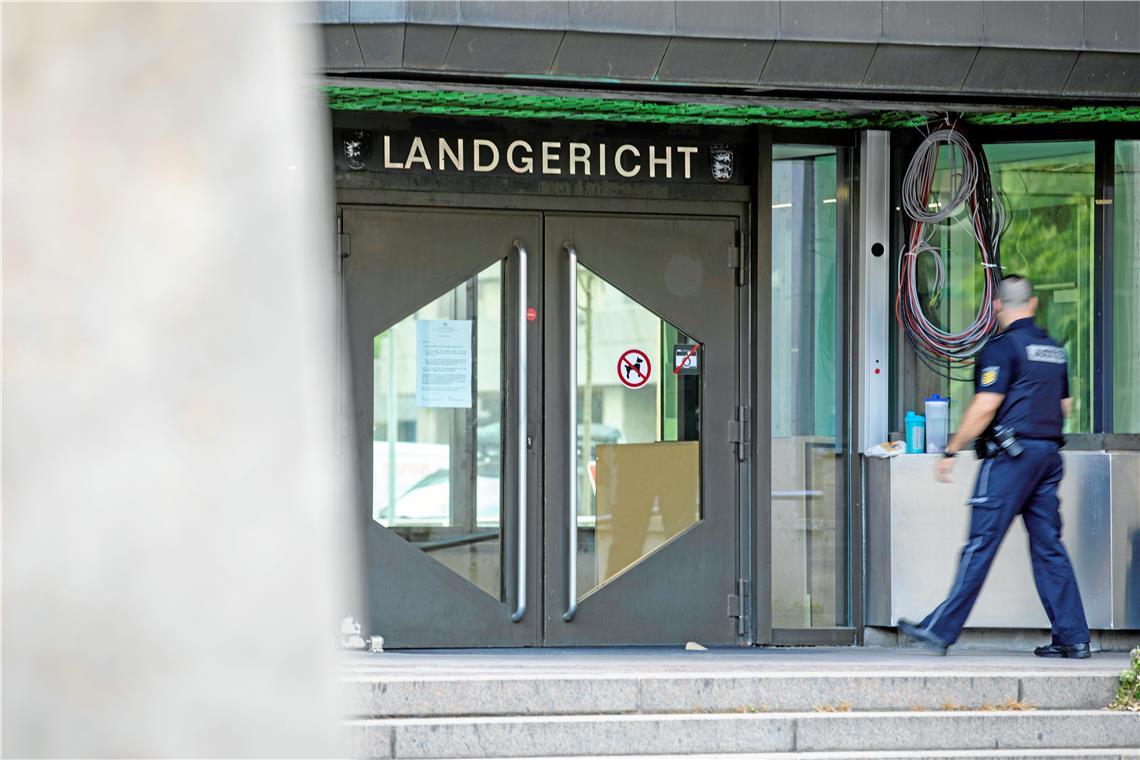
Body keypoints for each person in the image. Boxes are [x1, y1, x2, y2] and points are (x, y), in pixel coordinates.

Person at [898, 275, 1091, 658]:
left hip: (1011, 459)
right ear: (1033, 304)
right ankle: (1073, 637)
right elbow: (1064, 408)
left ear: (998, 307)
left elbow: (986, 405)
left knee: (980, 545)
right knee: (1049, 547)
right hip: (1048, 458)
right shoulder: (1054, 349)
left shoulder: (1002, 348)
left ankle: (941, 629)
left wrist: (952, 449)